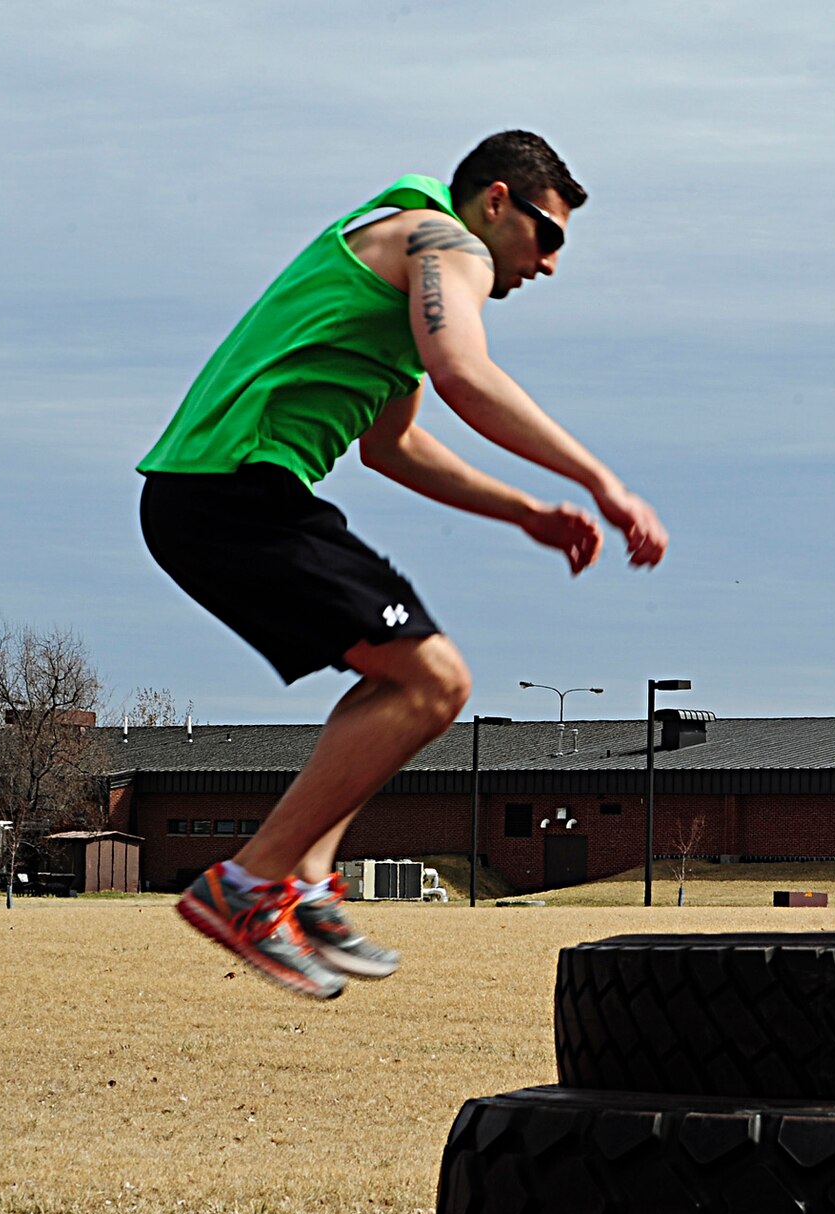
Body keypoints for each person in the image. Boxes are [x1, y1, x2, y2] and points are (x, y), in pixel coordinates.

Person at [139, 131, 666, 998]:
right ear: (496, 202)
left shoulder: (402, 268)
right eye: (550, 235)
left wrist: (526, 511)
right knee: (434, 681)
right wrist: (601, 481)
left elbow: (394, 445)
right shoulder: (442, 242)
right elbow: (464, 373)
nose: (551, 264)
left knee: (401, 681)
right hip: (231, 488)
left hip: (220, 497)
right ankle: (247, 885)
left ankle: (303, 882)